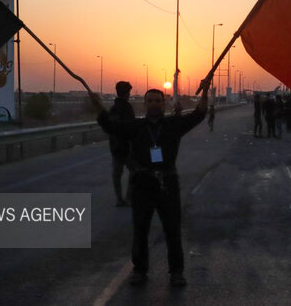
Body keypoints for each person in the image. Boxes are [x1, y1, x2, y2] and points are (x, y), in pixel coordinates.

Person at [90, 78, 210, 287]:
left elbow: (199, 114)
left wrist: (206, 90)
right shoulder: (135, 127)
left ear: (163, 104)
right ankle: (140, 270)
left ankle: (176, 272)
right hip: (142, 184)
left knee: (172, 229)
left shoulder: (174, 125)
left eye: (158, 101)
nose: (154, 104)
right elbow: (111, 126)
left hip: (168, 183)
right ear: (145, 104)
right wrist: (97, 105)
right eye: (150, 101)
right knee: (140, 229)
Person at [108, 81, 135, 207]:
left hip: (115, 146)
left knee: (117, 173)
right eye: (128, 92)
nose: (129, 94)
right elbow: (130, 127)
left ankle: (120, 199)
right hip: (125, 147)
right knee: (134, 170)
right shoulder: (127, 108)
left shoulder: (113, 108)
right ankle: (128, 198)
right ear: (125, 93)